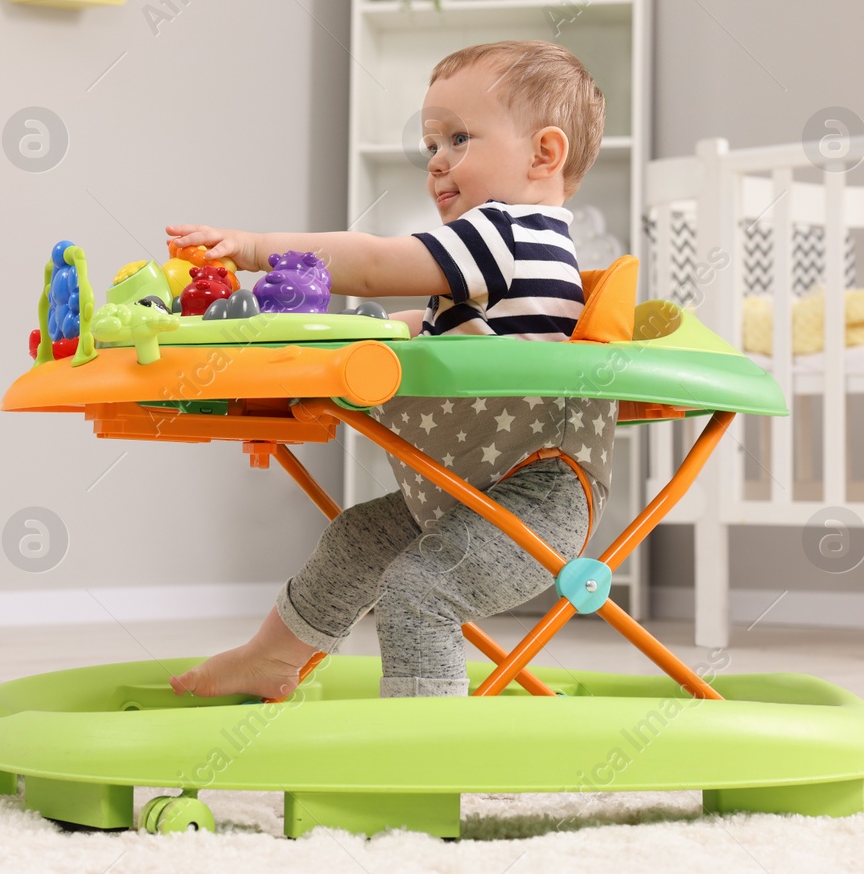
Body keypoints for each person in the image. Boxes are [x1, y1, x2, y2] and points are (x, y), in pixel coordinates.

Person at [164, 39, 617, 699]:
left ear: (544, 154)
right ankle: (271, 657)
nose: (436, 160)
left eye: (459, 137)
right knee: (356, 539)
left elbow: (375, 266)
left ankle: (423, 745)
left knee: (418, 588)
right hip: (467, 489)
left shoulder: (507, 232)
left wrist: (259, 250)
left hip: (530, 500)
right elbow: (431, 329)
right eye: (432, 142)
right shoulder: (510, 257)